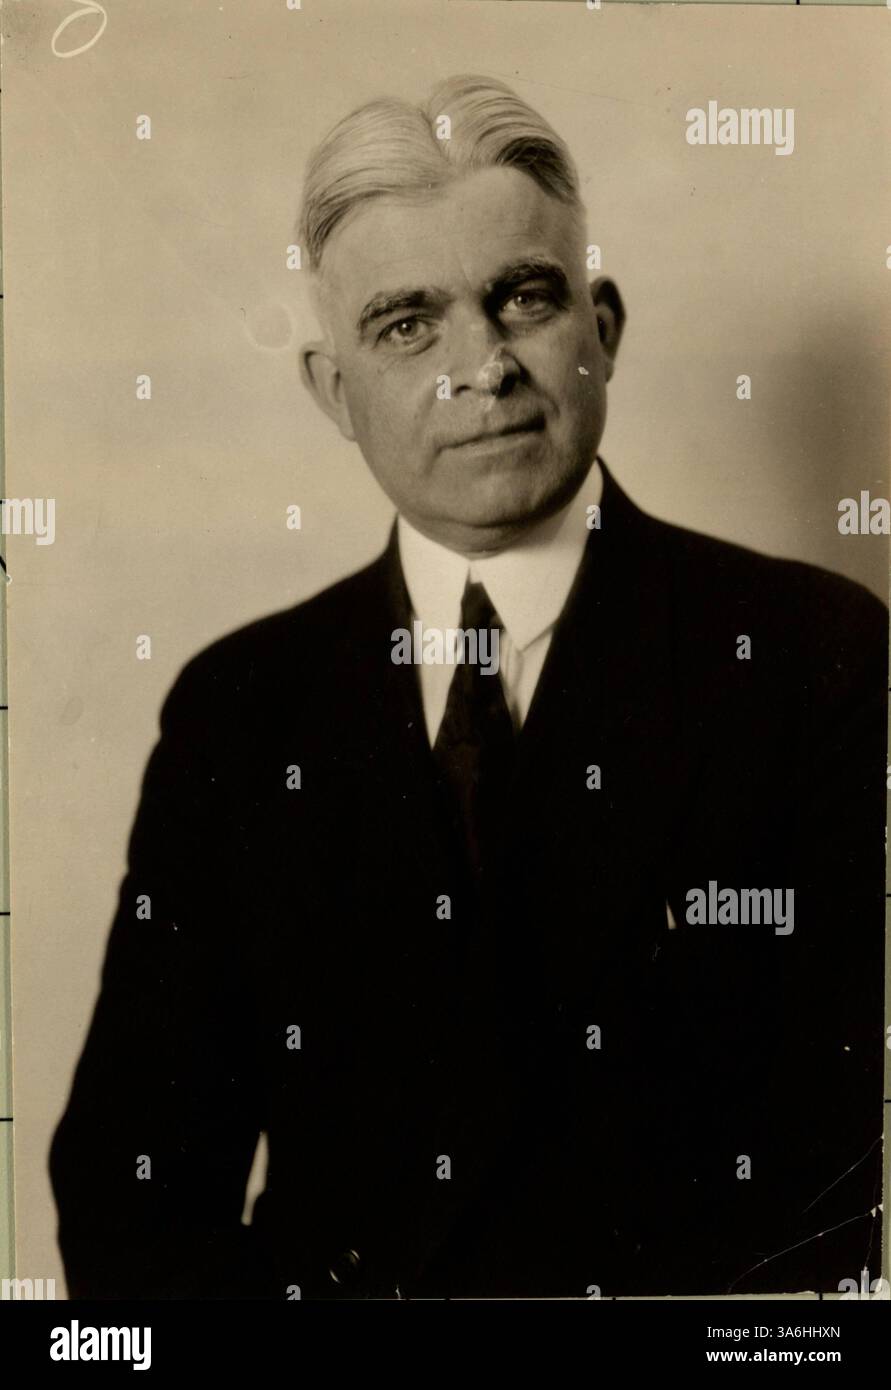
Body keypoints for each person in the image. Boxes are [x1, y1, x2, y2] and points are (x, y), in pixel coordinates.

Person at [51, 75, 886, 1300]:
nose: (480, 366)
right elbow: (131, 1193)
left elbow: (852, 1180)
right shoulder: (239, 710)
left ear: (600, 325)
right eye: (407, 324)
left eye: (523, 297)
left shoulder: (818, 656)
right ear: (335, 393)